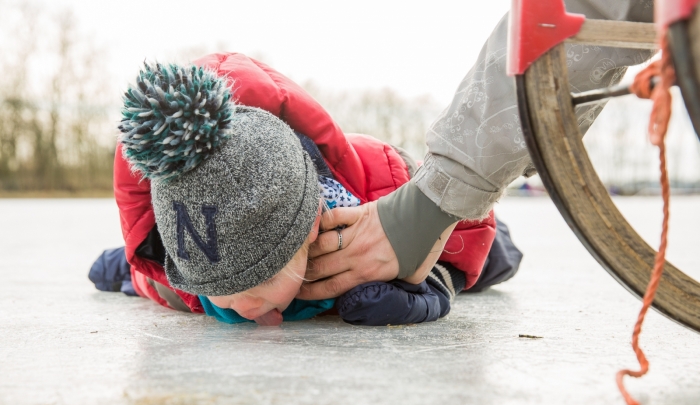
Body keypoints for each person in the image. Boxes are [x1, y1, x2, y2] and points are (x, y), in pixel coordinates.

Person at [99, 54, 522, 326]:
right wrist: (132, 270)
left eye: (254, 288)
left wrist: (422, 291)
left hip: (453, 221)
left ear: (308, 233)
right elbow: (161, 280)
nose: (240, 309)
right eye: (217, 294)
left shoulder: (374, 190)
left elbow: (462, 224)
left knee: (492, 258)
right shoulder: (188, 267)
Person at [297, 0, 657, 301]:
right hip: (428, 216)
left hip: (448, 225)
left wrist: (426, 213)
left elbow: (569, 13)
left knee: (496, 250)